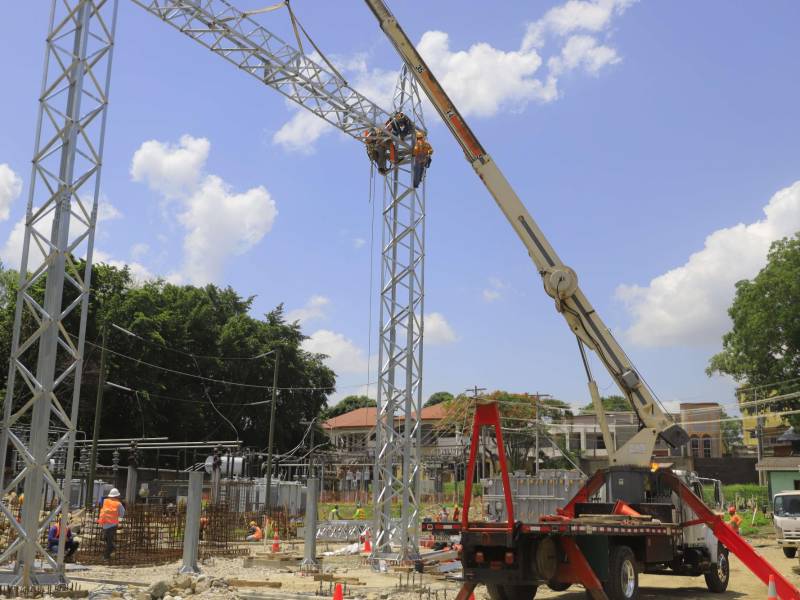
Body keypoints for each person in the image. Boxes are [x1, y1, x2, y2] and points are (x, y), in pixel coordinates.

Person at [97, 488, 125, 560]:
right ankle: (113, 548)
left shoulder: (105, 501)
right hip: (111, 524)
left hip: (106, 524)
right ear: (117, 496)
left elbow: (101, 509)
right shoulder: (118, 504)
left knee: (108, 540)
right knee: (108, 540)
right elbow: (122, 514)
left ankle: (106, 556)